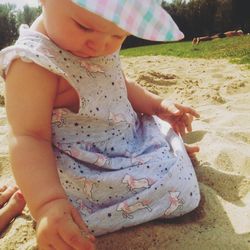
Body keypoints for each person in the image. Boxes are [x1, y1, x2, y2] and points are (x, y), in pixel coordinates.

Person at [0, 0, 201, 249]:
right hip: (88, 165)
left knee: (163, 138)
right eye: (84, 27)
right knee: (176, 189)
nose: (101, 45)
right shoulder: (34, 64)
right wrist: (48, 204)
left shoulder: (97, 41)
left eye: (119, 35)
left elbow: (118, 83)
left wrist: (159, 106)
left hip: (124, 135)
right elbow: (29, 137)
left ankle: (163, 151)